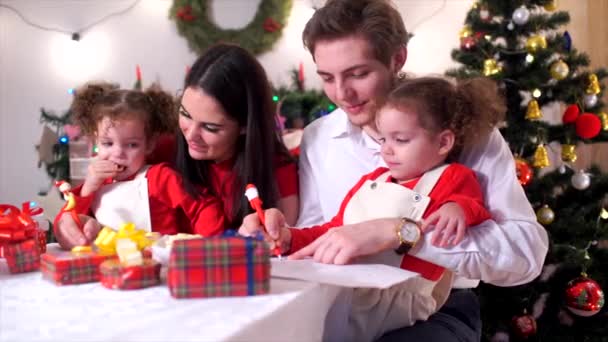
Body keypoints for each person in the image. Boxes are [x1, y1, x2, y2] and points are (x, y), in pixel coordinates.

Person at [294, 0, 547, 341]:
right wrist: (281, 237)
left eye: (358, 74)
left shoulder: (467, 134)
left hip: (434, 308)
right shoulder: (319, 138)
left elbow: (525, 256)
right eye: (327, 78)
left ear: (397, 58)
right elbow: (315, 234)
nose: (342, 94)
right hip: (345, 302)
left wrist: (404, 234)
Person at [239, 76, 503, 341]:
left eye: (400, 140)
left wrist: (458, 209)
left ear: (444, 142)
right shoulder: (372, 180)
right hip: (355, 294)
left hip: (403, 305)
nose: (386, 151)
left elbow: (477, 209)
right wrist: (289, 238)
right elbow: (333, 230)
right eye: (383, 140)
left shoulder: (453, 177)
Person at [54, 43, 299, 249]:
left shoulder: (276, 170)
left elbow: (286, 242)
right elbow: (82, 207)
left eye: (210, 127)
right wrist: (68, 222)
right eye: (185, 114)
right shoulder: (156, 148)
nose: (191, 135)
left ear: (245, 126)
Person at [53, 82, 226, 248]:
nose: (118, 153)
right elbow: (72, 224)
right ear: (95, 139)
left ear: (149, 144)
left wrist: (206, 246)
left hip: (159, 268)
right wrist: (87, 190)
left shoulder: (161, 177)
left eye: (132, 145)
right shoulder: (96, 183)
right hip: (109, 268)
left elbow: (203, 206)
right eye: (107, 143)